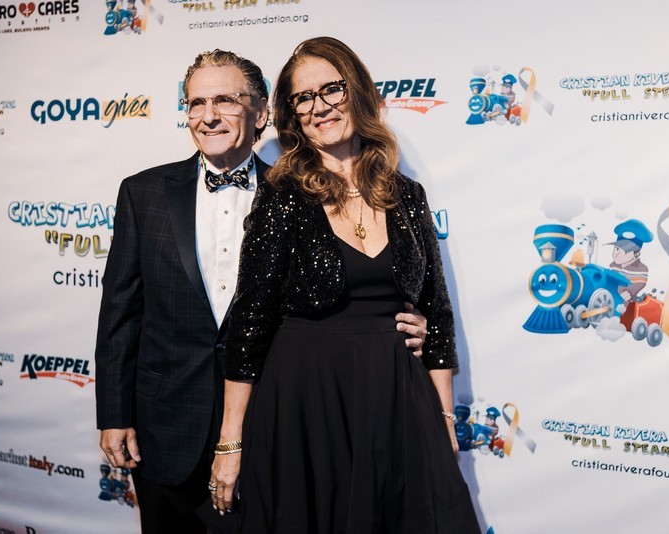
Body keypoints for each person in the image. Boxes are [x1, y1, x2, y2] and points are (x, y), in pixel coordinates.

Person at [95, 48, 432, 533]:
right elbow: (120, 314)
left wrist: (406, 322)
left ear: (260, 113)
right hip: (165, 426)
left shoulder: (304, 192)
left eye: (225, 101)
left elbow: (353, 286)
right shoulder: (142, 193)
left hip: (271, 422)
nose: (208, 116)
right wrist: (113, 414)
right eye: (196, 103)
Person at [210, 37, 479, 532]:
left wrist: (443, 418)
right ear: (293, 115)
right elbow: (249, 323)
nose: (320, 107)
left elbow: (437, 313)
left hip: (397, 400)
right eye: (303, 97)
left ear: (357, 91)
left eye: (331, 89)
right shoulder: (282, 196)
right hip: (307, 402)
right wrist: (231, 442)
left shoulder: (407, 195)